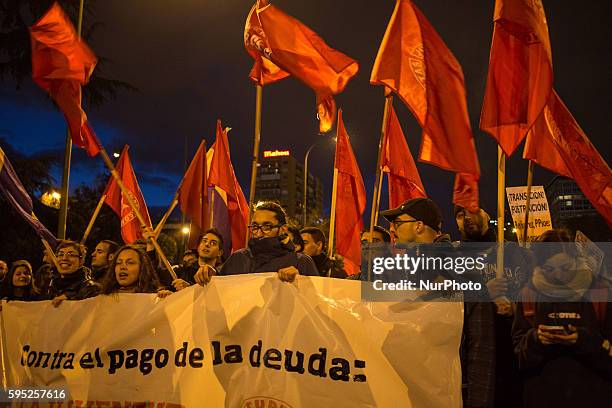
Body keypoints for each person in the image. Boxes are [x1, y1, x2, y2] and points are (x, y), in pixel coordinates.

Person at [381, 198, 495, 408]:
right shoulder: (401, 268)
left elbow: (481, 345)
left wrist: (478, 401)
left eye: (397, 223)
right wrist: (302, 281)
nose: (392, 230)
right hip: (407, 391)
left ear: (418, 225)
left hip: (449, 392)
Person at [512, 229, 612, 408]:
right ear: (539, 266)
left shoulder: (600, 293)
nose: (558, 275)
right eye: (549, 269)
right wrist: (536, 340)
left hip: (594, 396)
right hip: (542, 397)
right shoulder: (528, 295)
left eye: (565, 268)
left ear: (576, 260)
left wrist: (583, 340)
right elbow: (518, 356)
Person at [455, 204, 529, 408]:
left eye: (473, 210)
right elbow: (447, 301)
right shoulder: (453, 257)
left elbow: (535, 293)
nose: (466, 217)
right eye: (461, 214)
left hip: (513, 351)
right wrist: (484, 293)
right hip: (475, 355)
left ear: (487, 214)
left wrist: (515, 308)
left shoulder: (515, 253)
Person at [195, 201, 318, 285]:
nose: (259, 233)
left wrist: (300, 281)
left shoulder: (301, 262)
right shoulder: (239, 258)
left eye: (267, 227)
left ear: (283, 229)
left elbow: (317, 303)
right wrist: (209, 274)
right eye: (255, 227)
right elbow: (219, 289)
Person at [100, 245, 172, 298]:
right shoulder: (102, 299)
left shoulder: (156, 297)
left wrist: (169, 301)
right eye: (118, 263)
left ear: (142, 268)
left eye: (130, 263)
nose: (122, 267)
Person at [46, 240, 100, 307]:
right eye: (60, 254)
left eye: (71, 255)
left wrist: (71, 297)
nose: (64, 258)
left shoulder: (91, 289)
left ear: (81, 261)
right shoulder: (50, 285)